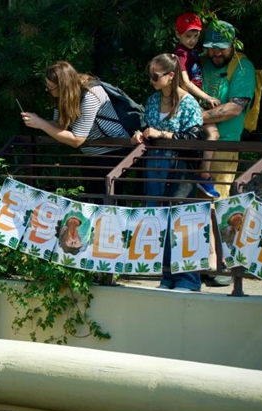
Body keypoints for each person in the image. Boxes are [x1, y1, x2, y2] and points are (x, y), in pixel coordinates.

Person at [131, 53, 204, 292]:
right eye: (150, 75)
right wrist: (140, 134)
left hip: (179, 167)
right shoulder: (152, 100)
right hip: (154, 165)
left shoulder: (189, 103)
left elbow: (193, 139)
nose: (152, 80)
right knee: (159, 218)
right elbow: (147, 127)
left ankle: (189, 278)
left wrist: (161, 135)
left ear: (171, 76)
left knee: (183, 220)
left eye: (156, 76)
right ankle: (168, 275)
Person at [20, 61, 131, 199]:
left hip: (113, 153)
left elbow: (77, 140)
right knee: (90, 201)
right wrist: (38, 121)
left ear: (63, 86)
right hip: (91, 154)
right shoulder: (64, 95)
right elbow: (60, 126)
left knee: (107, 203)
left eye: (51, 87)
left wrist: (42, 124)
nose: (47, 90)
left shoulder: (91, 94)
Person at [200, 20, 256, 198]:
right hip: (193, 142)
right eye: (211, 47)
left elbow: (234, 109)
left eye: (222, 47)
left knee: (214, 205)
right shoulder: (202, 62)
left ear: (232, 44)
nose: (216, 53)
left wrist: (196, 117)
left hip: (224, 145)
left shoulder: (242, 66)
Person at [173, 12, 221, 198]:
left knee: (208, 134)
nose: (192, 40)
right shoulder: (180, 54)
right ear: (178, 34)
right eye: (188, 36)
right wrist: (207, 97)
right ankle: (204, 175)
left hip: (193, 101)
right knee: (212, 133)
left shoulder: (192, 52)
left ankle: (202, 174)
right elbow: (185, 82)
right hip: (186, 101)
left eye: (196, 35)